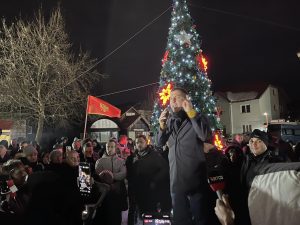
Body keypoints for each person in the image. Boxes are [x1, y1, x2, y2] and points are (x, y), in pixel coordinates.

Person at [157, 87, 211, 225]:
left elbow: (204, 135)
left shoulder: (196, 117)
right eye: (171, 98)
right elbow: (159, 144)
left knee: (200, 219)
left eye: (177, 97)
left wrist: (191, 113)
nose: (173, 100)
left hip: (195, 182)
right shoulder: (169, 122)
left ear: (186, 100)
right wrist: (162, 126)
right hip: (176, 183)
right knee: (180, 221)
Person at [126, 135, 171, 225]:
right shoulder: (132, 157)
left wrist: (154, 181)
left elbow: (164, 169)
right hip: (136, 192)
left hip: (150, 193)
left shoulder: (154, 156)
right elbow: (129, 173)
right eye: (137, 142)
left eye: (141, 142)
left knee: (150, 216)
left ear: (146, 143)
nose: (139, 144)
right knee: (135, 215)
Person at [94, 139, 127, 225]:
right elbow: (98, 174)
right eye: (108, 146)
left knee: (116, 215)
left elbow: (123, 173)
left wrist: (112, 175)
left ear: (115, 148)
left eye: (112, 147)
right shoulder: (100, 161)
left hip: (117, 192)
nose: (110, 148)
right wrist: (105, 177)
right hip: (104, 193)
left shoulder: (121, 161)